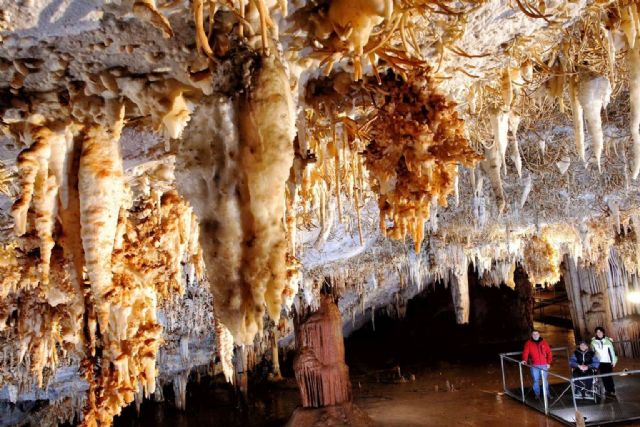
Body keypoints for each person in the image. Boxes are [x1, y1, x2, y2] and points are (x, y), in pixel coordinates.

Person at [521, 330, 553, 400]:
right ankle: (537, 394)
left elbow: (549, 353)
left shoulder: (544, 342)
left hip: (544, 365)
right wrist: (524, 360)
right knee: (535, 380)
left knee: (545, 380)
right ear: (532, 335)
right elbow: (525, 352)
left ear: (539, 335)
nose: (535, 335)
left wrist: (548, 362)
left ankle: (547, 394)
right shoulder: (528, 343)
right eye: (534, 334)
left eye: (536, 334)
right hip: (534, 365)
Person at [591, 326, 618, 397]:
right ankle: (607, 389)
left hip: (607, 361)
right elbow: (592, 353)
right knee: (603, 376)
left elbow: (612, 352)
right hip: (599, 362)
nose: (599, 333)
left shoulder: (608, 341)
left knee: (609, 376)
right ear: (596, 333)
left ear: (603, 333)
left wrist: (614, 361)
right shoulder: (593, 342)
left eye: (600, 332)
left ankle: (612, 390)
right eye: (597, 332)